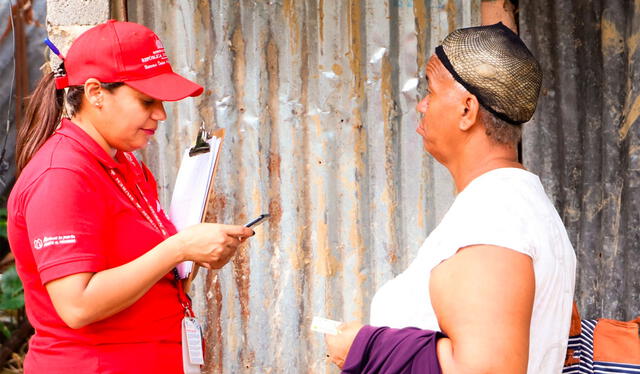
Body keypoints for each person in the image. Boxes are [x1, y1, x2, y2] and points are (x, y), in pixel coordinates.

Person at [326, 22, 577, 374]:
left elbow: (487, 369)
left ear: (466, 110)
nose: (421, 106)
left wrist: (365, 347)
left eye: (431, 90)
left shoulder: (496, 217)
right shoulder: (512, 205)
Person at [7, 20, 254, 373]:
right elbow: (77, 306)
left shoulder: (123, 164)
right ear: (95, 93)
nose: (161, 114)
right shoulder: (62, 176)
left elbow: (144, 273)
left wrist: (195, 253)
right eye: (146, 100)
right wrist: (179, 247)